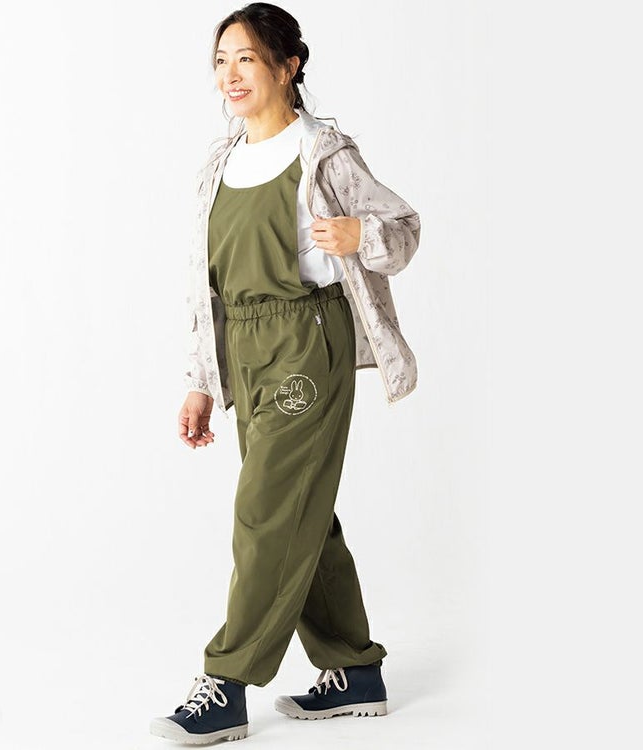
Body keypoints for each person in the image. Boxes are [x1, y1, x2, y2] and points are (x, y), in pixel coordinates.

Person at [150, 3, 421, 744]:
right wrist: (202, 379)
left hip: (307, 340)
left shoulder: (324, 154)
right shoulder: (221, 164)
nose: (230, 75)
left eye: (245, 58)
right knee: (302, 511)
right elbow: (207, 288)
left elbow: (403, 229)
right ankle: (354, 669)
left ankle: (228, 682)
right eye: (220, 61)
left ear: (287, 65)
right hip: (245, 349)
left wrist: (360, 234)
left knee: (267, 510)